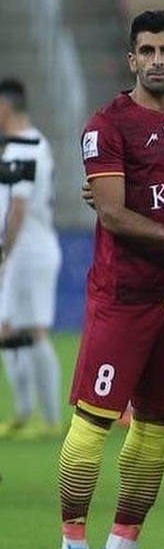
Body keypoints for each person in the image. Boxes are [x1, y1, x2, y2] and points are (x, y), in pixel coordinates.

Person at [57, 10, 164, 549]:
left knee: (154, 427)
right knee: (92, 422)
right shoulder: (107, 125)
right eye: (146, 51)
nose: (156, 60)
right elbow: (111, 212)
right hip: (123, 298)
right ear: (132, 59)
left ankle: (121, 548)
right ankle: (72, 548)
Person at [0, 78, 63, 439]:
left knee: (34, 331)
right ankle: (25, 412)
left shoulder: (23, 148)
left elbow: (18, 208)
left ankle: (50, 419)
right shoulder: (32, 142)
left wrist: (4, 252)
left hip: (27, 250)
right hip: (27, 249)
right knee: (9, 330)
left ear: (4, 108)